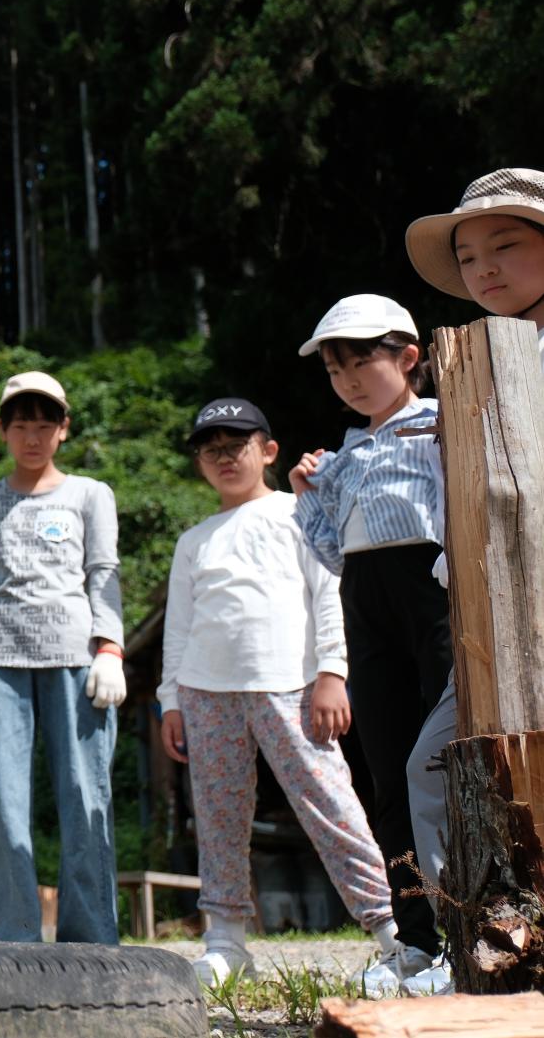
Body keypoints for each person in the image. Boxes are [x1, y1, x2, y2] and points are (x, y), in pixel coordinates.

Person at [159, 397, 398, 986]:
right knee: (218, 817)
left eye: (235, 446)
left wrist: (332, 672)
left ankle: (394, 932)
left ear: (267, 451)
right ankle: (225, 940)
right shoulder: (194, 540)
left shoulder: (298, 510)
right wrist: (170, 700)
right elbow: (178, 627)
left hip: (291, 683)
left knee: (331, 804)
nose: (223, 458)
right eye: (210, 450)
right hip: (205, 690)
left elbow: (328, 593)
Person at [399, 166, 544, 995]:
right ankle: (470, 947)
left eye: (506, 244)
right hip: (486, 615)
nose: (484, 267)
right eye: (467, 255)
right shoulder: (470, 358)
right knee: (435, 764)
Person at [290, 293, 450, 995]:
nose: (349, 381)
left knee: (444, 759)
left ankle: (466, 929)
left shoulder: (443, 420)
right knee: (387, 769)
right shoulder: (345, 453)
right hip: (366, 603)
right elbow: (330, 553)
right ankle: (415, 939)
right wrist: (306, 492)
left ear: (409, 357)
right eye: (335, 370)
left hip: (435, 591)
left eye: (361, 362)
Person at [0, 371, 126, 944]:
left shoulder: (89, 494)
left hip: (78, 658)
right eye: (21, 424)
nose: (33, 437)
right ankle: (10, 936)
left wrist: (110, 648)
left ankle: (92, 936)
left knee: (85, 796)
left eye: (44, 425)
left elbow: (103, 573)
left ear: (63, 429)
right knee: (3, 803)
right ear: (3, 430)